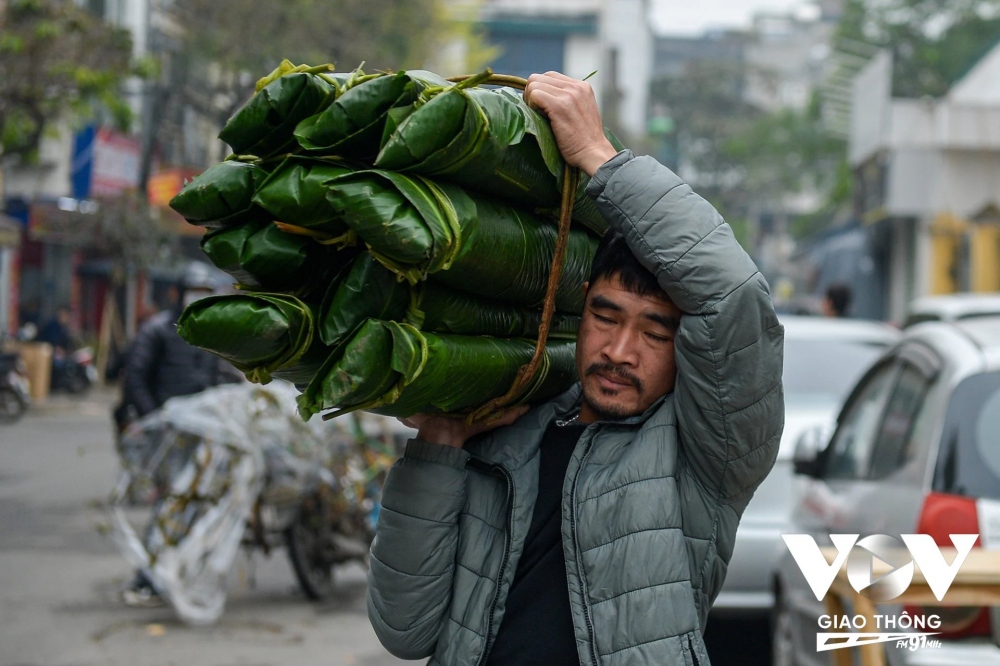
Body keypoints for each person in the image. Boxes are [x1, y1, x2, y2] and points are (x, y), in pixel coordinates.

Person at [365, 72, 785, 665]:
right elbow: (403, 630)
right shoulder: (504, 430)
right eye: (606, 317)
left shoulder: (707, 454)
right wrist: (438, 448)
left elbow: (733, 294)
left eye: (654, 332)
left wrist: (599, 157)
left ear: (687, 346)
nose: (619, 350)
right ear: (580, 304)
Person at [119, 261, 241, 607]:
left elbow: (217, 376)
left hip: (204, 432)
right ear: (177, 293)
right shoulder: (156, 330)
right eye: (193, 292)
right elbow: (136, 379)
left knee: (197, 501)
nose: (197, 298)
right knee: (172, 501)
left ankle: (176, 568)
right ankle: (147, 575)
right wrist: (154, 419)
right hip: (168, 434)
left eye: (204, 293)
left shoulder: (208, 333)